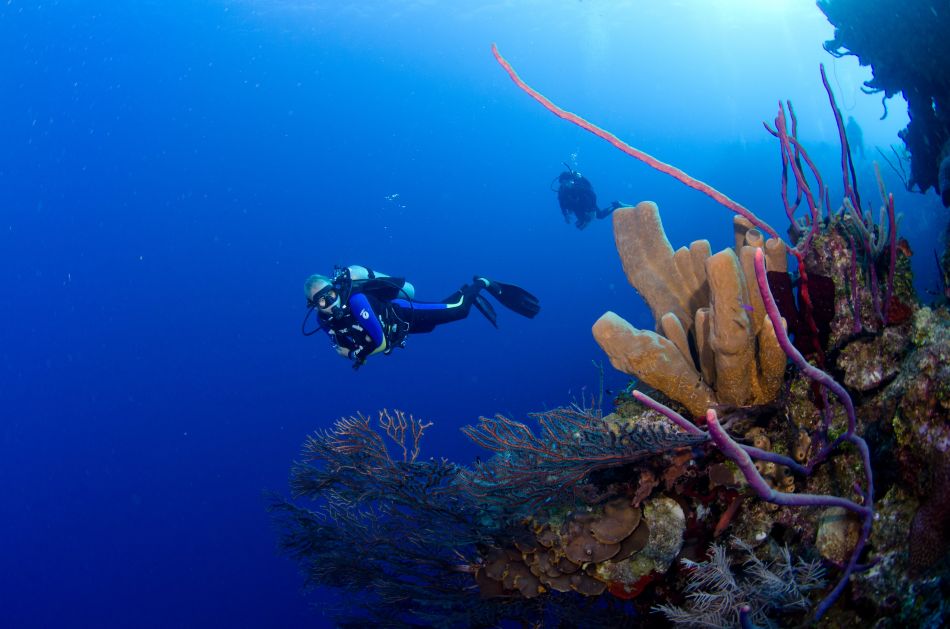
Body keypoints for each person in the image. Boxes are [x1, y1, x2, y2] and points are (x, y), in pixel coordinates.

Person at [302, 265, 540, 369]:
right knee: (437, 319)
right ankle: (465, 293)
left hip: (402, 312)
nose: (330, 303)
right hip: (400, 329)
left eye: (331, 294)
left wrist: (355, 354)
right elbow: (344, 345)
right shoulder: (323, 321)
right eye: (322, 301)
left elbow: (379, 342)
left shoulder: (356, 300)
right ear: (314, 305)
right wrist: (355, 353)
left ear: (336, 288)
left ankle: (481, 283)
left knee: (459, 310)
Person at [553, 164, 624, 229]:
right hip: (576, 206)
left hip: (587, 203)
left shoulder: (578, 187)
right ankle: (585, 218)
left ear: (570, 180)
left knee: (600, 216)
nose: (565, 185)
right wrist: (565, 215)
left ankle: (616, 205)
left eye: (566, 182)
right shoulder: (561, 192)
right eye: (563, 183)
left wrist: (592, 209)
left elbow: (592, 195)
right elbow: (561, 203)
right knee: (580, 225)